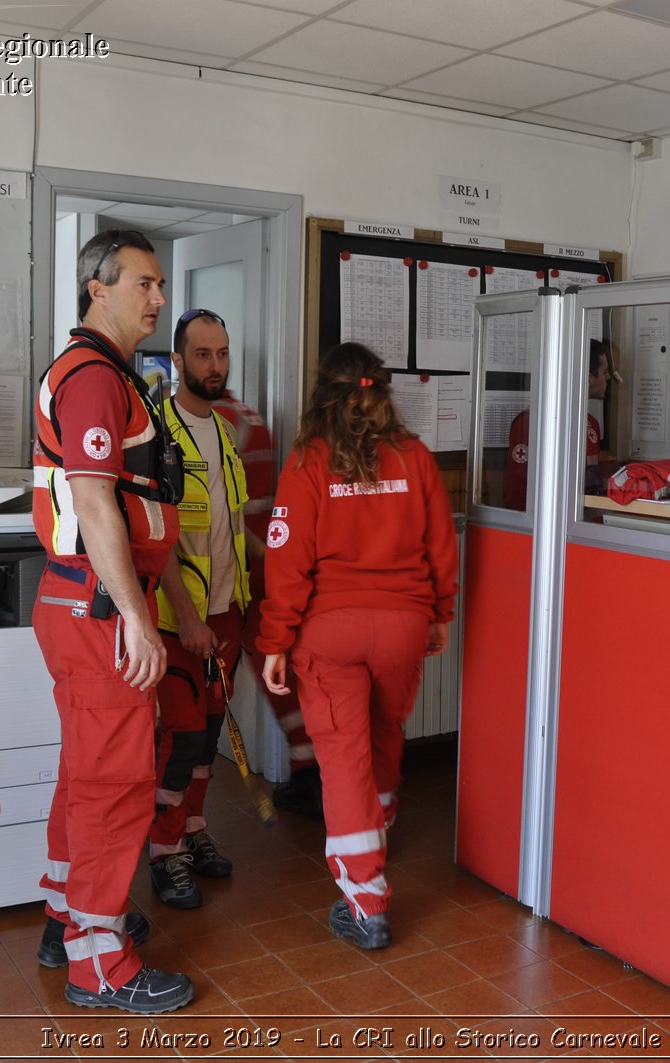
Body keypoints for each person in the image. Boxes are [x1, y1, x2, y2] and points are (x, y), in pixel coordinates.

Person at [29, 229, 193, 1014]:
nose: (159, 298)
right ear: (98, 287)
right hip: (99, 609)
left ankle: (68, 918)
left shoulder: (110, 373)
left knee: (86, 772)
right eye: (145, 284)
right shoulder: (93, 375)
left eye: (160, 285)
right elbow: (94, 498)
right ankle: (99, 960)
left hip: (84, 604)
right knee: (116, 780)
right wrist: (138, 614)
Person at [257, 342, 459, 950]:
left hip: (330, 632)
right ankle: (380, 823)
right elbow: (440, 543)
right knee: (384, 734)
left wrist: (274, 640)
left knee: (342, 762)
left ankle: (365, 902)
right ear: (382, 391)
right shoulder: (414, 455)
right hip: (402, 624)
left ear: (324, 391)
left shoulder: (308, 460)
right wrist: (440, 612)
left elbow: (286, 560)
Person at [145, 308, 251, 909]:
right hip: (178, 617)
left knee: (209, 733)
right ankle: (163, 851)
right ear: (178, 361)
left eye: (223, 353)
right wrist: (186, 616)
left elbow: (231, 532)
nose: (216, 366)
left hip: (226, 614)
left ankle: (191, 829)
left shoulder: (226, 433)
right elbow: (152, 537)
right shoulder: (157, 431)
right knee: (181, 739)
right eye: (204, 355)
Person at [206, 324, 323, 819]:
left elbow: (227, 510)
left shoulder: (214, 420)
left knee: (231, 686)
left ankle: (307, 772)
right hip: (260, 563)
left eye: (221, 354)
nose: (215, 363)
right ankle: (306, 769)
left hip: (235, 570)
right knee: (282, 678)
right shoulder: (249, 416)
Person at [503, 338, 610, 509]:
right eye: (604, 372)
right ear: (590, 378)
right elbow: (518, 494)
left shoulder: (592, 424)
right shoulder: (530, 423)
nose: (608, 378)